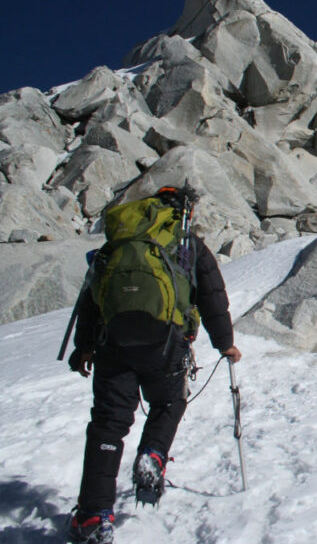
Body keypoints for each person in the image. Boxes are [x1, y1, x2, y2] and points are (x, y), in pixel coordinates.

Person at [66, 186, 242, 544]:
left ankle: (93, 516)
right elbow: (212, 297)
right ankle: (153, 455)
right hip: (167, 344)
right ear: (183, 211)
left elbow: (92, 297)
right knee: (168, 402)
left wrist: (83, 347)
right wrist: (225, 345)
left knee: (108, 424)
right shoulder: (186, 244)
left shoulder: (118, 243)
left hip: (113, 345)